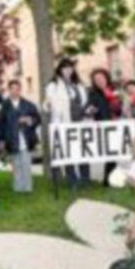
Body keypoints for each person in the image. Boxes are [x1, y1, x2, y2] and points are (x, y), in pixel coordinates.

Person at [43, 58, 90, 189]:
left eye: (70, 67)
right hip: (64, 124)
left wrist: (87, 110)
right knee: (68, 154)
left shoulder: (79, 85)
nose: (68, 70)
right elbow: (52, 105)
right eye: (65, 68)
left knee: (83, 153)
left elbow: (84, 102)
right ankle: (73, 181)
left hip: (80, 123)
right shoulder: (53, 86)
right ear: (59, 70)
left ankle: (85, 180)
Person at [0, 80, 41, 193]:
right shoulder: (5, 105)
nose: (15, 91)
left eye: (17, 88)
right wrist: (1, 140)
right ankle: (18, 188)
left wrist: (29, 120)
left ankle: (27, 188)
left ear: (20, 90)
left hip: (26, 138)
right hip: (11, 138)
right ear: (9, 90)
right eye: (12, 89)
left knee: (26, 164)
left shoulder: (28, 104)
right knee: (16, 165)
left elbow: (38, 119)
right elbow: (1, 123)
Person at [87, 68, 122, 187]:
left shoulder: (114, 91)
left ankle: (109, 180)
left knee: (114, 154)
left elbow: (119, 109)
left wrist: (113, 100)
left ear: (106, 78)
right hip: (102, 127)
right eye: (96, 79)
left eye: (101, 78)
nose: (99, 81)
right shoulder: (92, 94)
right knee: (109, 154)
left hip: (115, 125)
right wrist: (91, 111)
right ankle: (107, 180)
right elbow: (90, 108)